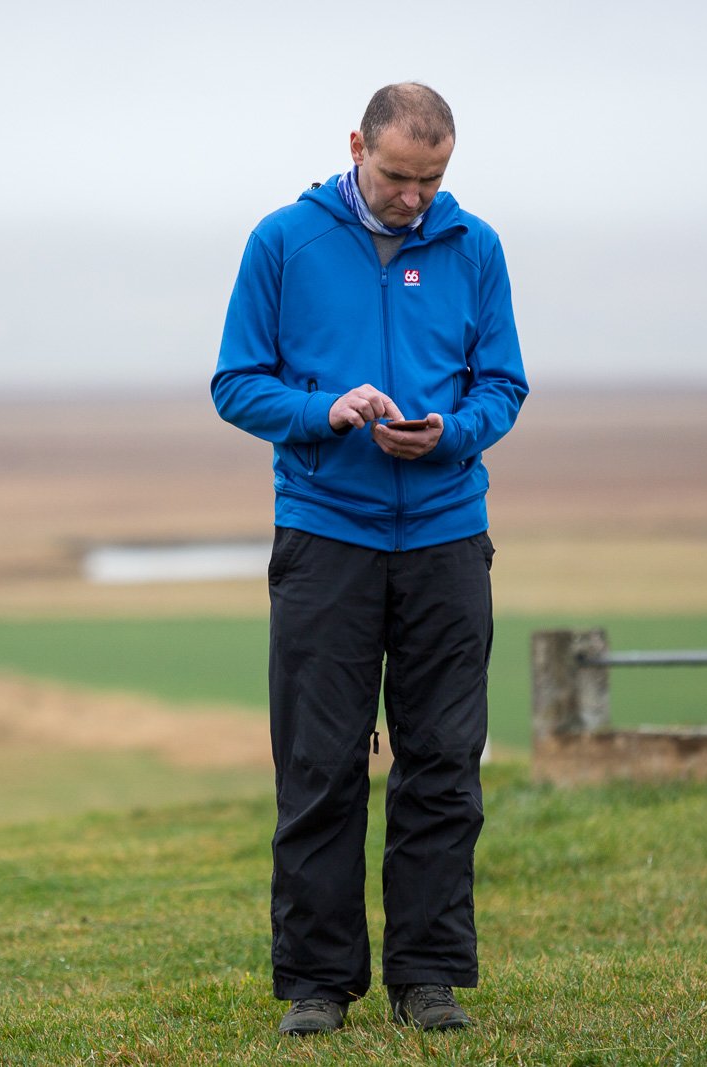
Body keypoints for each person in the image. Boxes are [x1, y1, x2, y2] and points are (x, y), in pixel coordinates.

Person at [210, 82, 527, 1036]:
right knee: (320, 763)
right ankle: (317, 984)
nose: (413, 198)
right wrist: (323, 411)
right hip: (325, 536)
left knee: (441, 763)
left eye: (431, 180)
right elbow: (235, 381)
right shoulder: (283, 241)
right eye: (397, 176)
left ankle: (427, 978)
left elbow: (504, 383)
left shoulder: (477, 249)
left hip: (445, 539)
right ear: (356, 146)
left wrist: (452, 433)